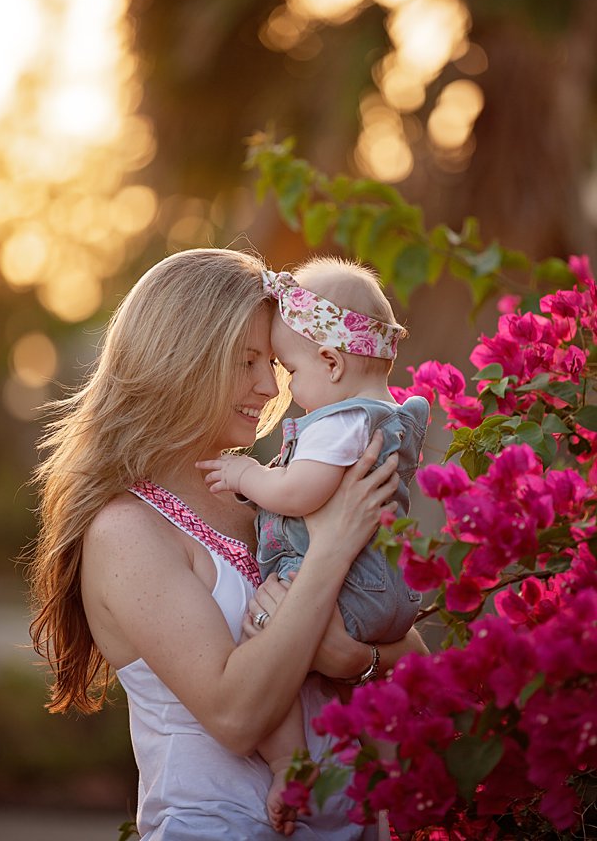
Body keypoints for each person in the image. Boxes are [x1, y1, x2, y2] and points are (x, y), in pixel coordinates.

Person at [29, 248, 422, 840]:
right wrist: (332, 549)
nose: (269, 387)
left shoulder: (269, 491)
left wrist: (358, 660)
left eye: (275, 363)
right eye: (246, 362)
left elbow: (413, 653)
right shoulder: (127, 530)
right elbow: (236, 716)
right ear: (180, 361)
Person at [199, 258, 430, 833]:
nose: (282, 386)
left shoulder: (339, 421)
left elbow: (301, 491)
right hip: (387, 587)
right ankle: (393, 787)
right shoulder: (386, 415)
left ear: (330, 361)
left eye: (287, 367)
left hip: (352, 583)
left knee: (265, 627)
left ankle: (289, 764)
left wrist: (247, 476)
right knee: (356, 687)